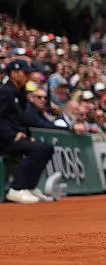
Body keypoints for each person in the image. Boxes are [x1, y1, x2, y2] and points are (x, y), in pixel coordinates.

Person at [0, 59, 56, 204]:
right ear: (14, 74)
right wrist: (12, 134)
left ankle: (30, 186)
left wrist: (27, 135)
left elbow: (20, 120)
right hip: (4, 139)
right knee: (38, 149)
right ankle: (16, 188)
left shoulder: (20, 93)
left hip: (15, 138)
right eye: (25, 73)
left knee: (46, 148)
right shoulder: (5, 92)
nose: (28, 76)